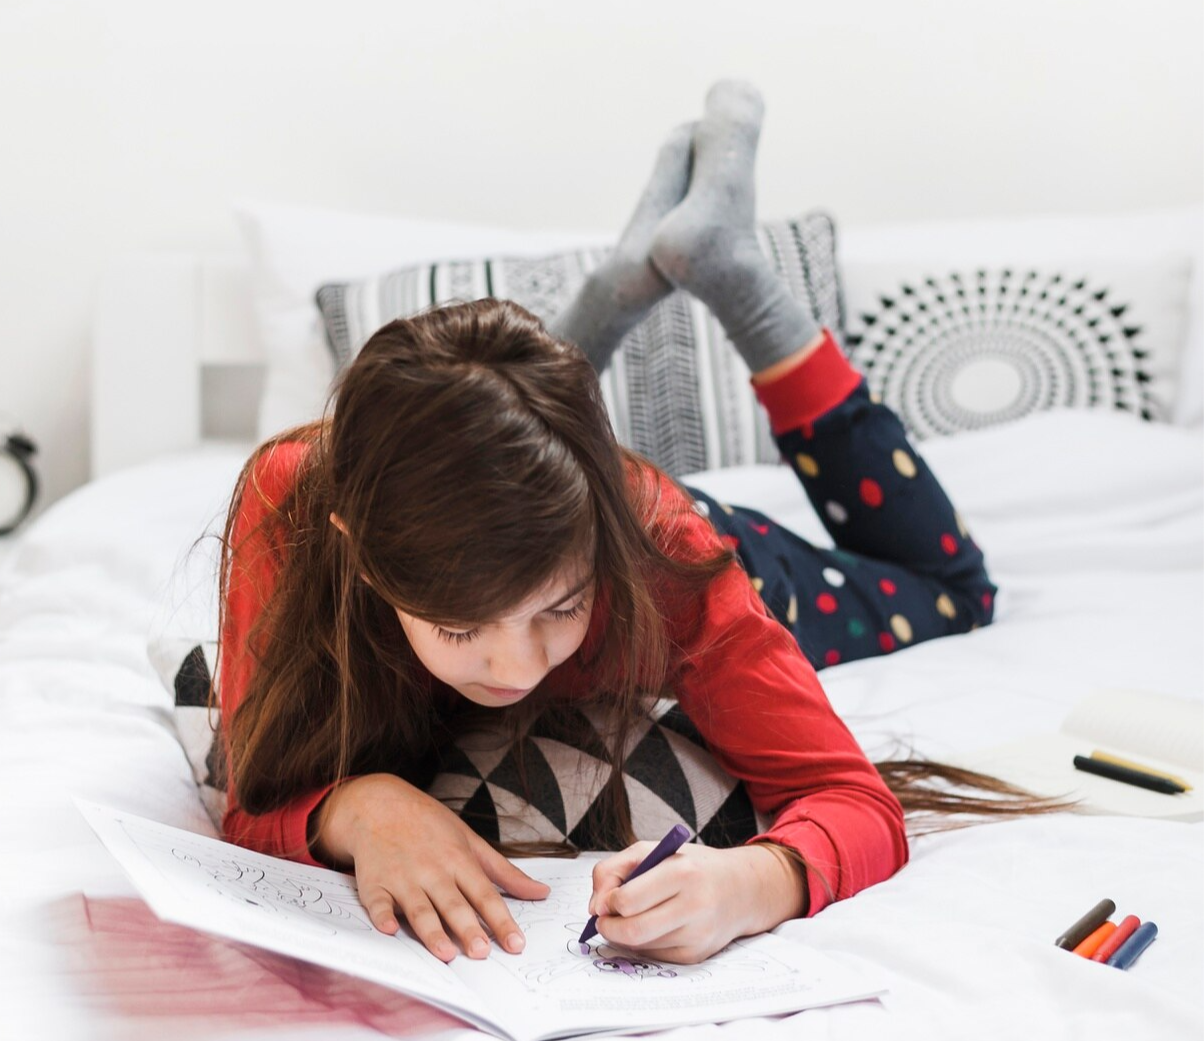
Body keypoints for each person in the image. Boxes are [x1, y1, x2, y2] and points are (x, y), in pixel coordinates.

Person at [215, 81, 1062, 969]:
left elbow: (849, 797)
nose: (518, 667)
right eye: (460, 626)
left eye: (560, 607)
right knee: (523, 430)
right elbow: (251, 798)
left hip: (718, 551)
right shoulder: (294, 504)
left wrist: (751, 881)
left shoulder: (667, 550)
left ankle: (741, 283)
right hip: (568, 493)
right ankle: (607, 304)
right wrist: (358, 807)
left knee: (958, 594)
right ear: (357, 549)